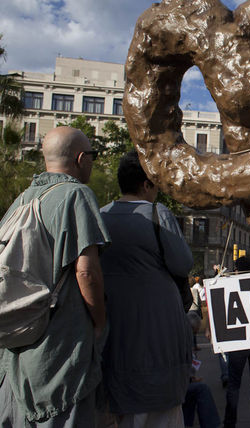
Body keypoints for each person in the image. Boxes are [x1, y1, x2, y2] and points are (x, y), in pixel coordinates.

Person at [0, 126, 110, 426]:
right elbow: (86, 270)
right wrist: (99, 323)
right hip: (60, 348)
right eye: (93, 155)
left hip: (16, 344)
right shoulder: (77, 195)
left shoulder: (22, 200)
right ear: (80, 158)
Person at [99, 150, 193, 426]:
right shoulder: (157, 213)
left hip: (114, 335)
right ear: (147, 184)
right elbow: (183, 263)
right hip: (158, 335)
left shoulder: (100, 215)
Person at [224, 256, 250, 428]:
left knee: (234, 384)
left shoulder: (231, 286)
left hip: (238, 341)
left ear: (238, 270)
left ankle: (229, 423)